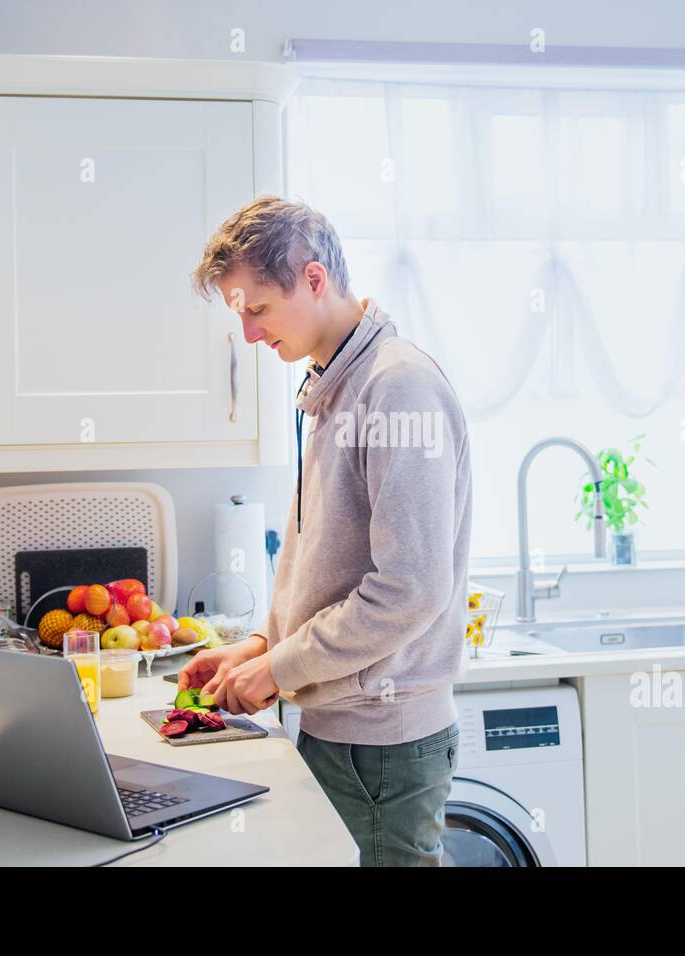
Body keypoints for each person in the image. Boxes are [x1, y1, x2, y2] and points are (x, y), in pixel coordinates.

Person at [179, 196, 473, 866]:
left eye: (257, 308)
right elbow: (324, 558)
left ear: (314, 279)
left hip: (383, 747)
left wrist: (279, 669)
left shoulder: (396, 386)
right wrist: (259, 647)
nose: (250, 335)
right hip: (347, 733)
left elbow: (409, 589)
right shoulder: (334, 384)